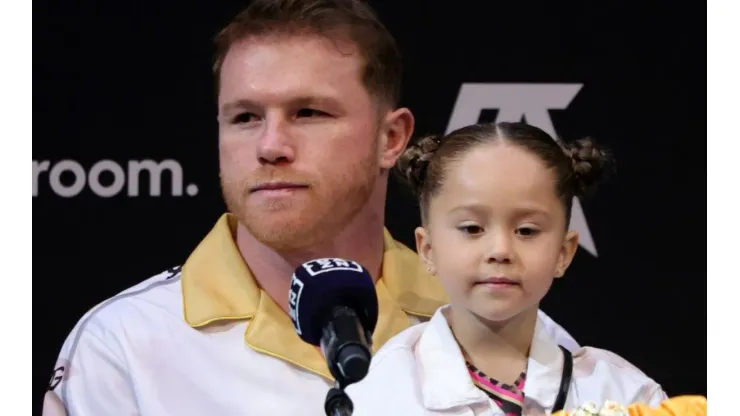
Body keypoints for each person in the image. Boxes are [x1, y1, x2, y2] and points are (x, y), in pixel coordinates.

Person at [43, 1, 580, 415]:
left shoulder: (505, 320)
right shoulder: (125, 343)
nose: (270, 145)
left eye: (308, 113)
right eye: (245, 117)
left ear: (391, 137)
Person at [346, 122, 668, 415]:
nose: (500, 250)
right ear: (427, 249)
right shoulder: (378, 396)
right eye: (472, 228)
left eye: (526, 231)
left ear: (564, 252)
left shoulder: (626, 396)